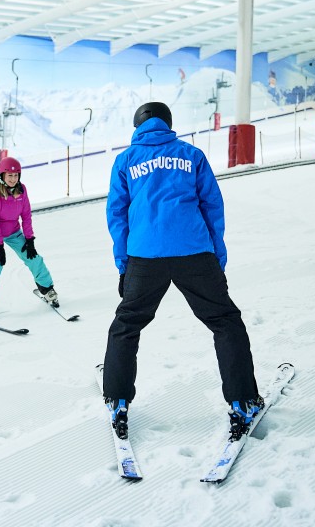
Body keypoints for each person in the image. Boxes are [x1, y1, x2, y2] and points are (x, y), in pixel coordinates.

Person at [101, 102, 262, 441]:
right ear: (168, 123)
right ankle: (243, 400)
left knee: (127, 324)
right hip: (193, 251)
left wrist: (124, 266)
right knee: (225, 321)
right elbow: (212, 207)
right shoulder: (191, 155)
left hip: (145, 256)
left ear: (138, 126)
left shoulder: (126, 160)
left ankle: (117, 400)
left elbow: (117, 216)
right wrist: (217, 258)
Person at [0, 156, 58, 319]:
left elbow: (26, 215)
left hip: (13, 231)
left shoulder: (22, 190)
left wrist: (30, 240)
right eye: (10, 176)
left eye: (16, 176)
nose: (14, 179)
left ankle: (47, 289)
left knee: (33, 257)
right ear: (2, 175)